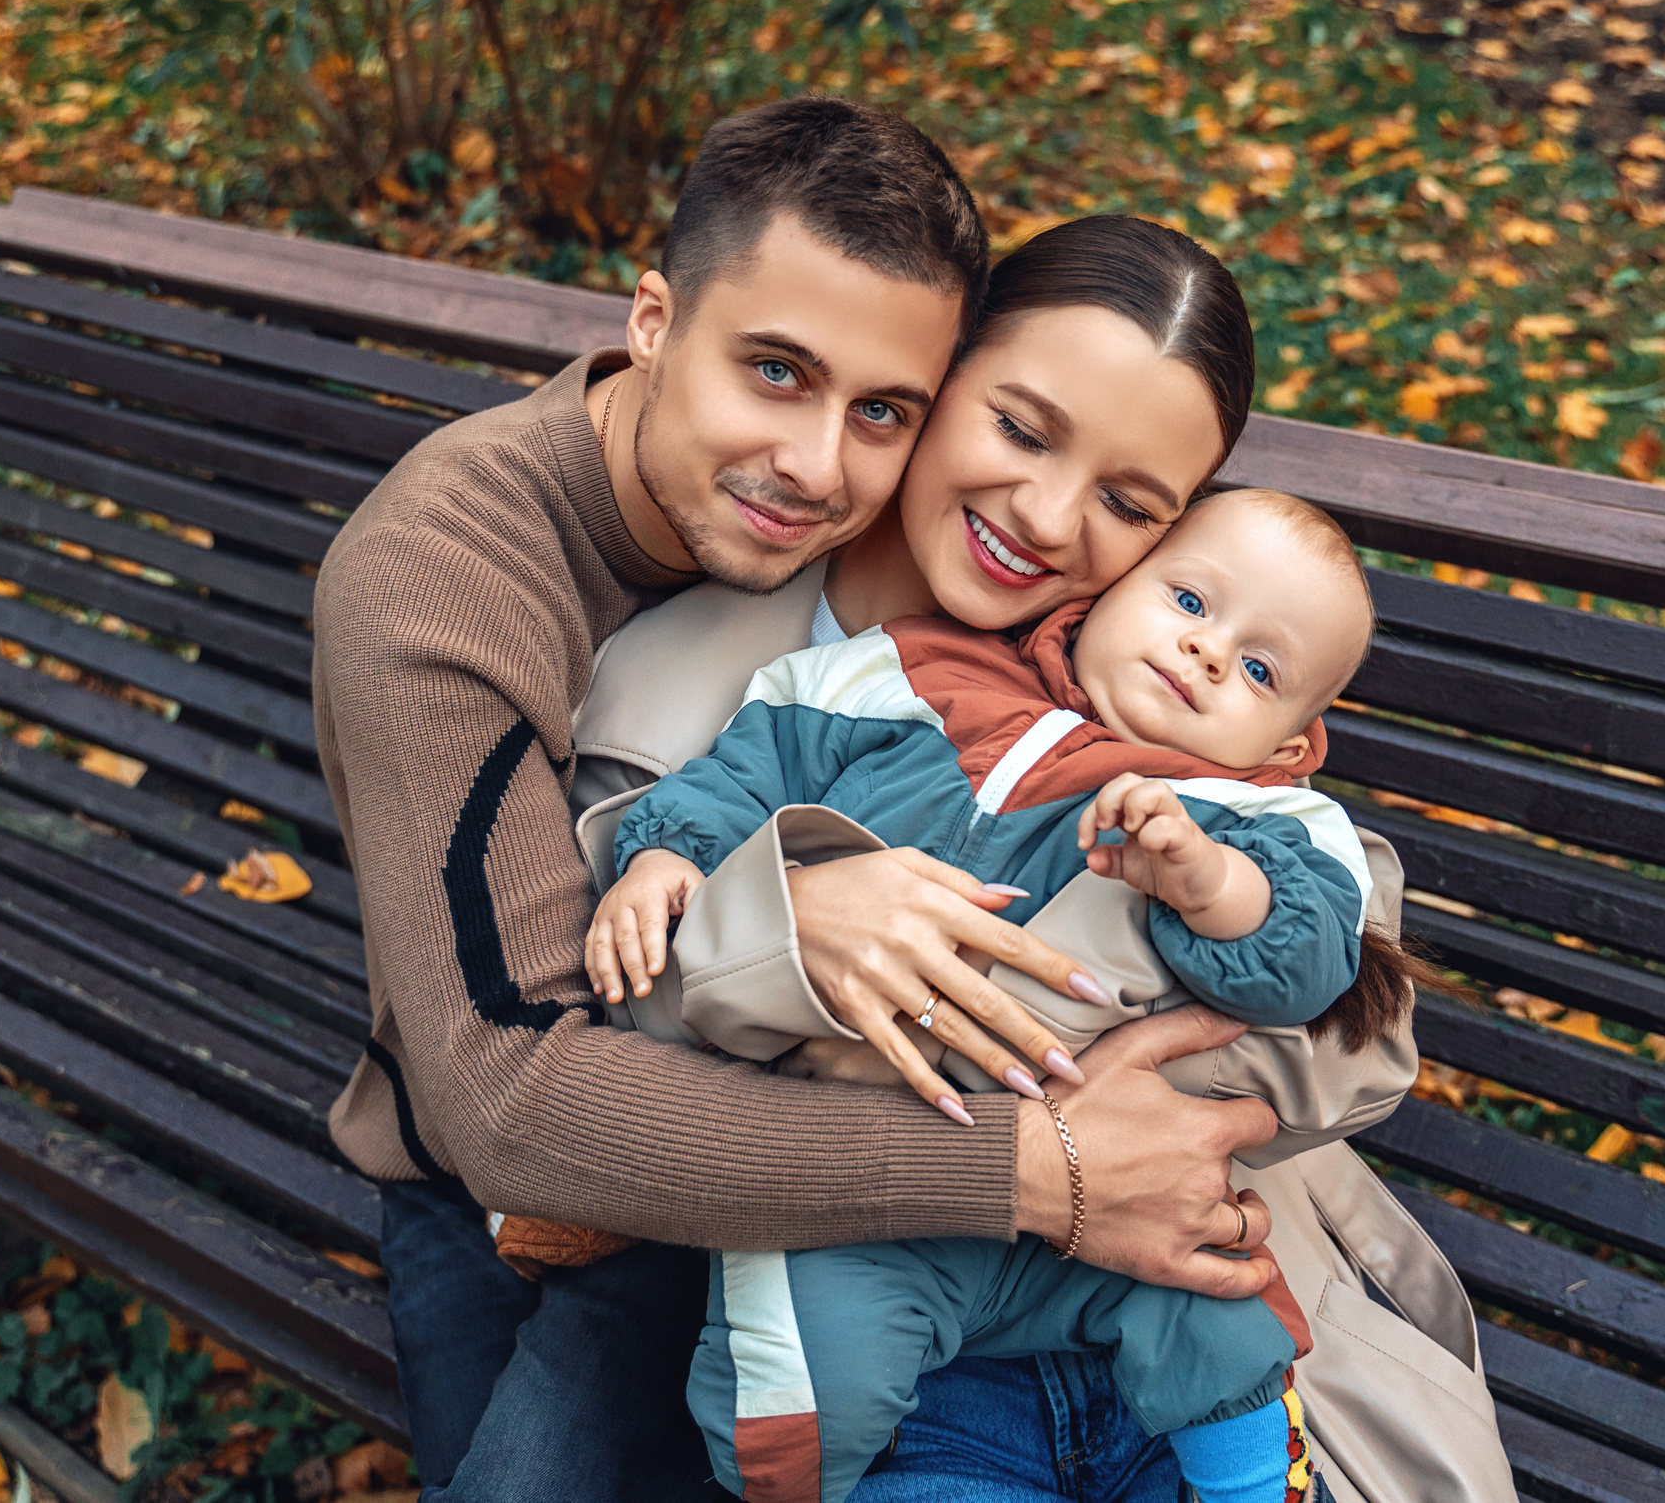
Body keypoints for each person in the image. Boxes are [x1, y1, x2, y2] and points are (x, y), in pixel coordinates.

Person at [312, 101, 1338, 1503]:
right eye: (775, 372)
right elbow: (516, 1094)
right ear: (652, 321)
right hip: (550, 1163)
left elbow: (1319, 925)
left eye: (878, 411)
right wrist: (1019, 1146)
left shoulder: (1113, 632)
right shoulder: (465, 577)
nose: (816, 466)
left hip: (959, 1230)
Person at [561, 213, 1517, 1502]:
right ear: (938, 377)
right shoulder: (772, 678)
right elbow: (603, 1020)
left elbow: (1355, 1035)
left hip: (1183, 1273)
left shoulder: (1191, 745)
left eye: (1130, 504)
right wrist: (801, 920)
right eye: (1020, 428)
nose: (1051, 516)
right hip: (859, 1275)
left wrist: (1194, 924)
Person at [576, 488, 1397, 1503]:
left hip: (1127, 1209)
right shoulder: (904, 675)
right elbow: (755, 760)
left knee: (1222, 1327)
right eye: (1189, 602)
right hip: (870, 1179)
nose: (1207, 653)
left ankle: (1255, 1487)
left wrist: (1212, 883)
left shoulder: (1253, 815)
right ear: (1101, 597)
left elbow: (1313, 958)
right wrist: (670, 853)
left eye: (1261, 669)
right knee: (801, 1372)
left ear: (1286, 748)